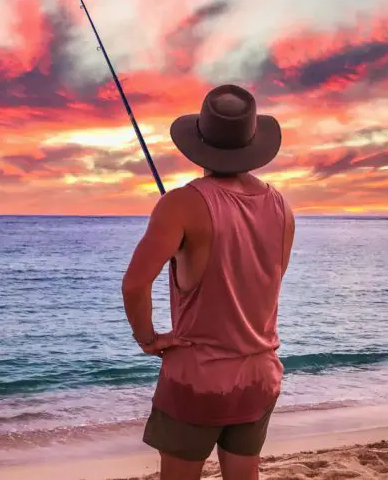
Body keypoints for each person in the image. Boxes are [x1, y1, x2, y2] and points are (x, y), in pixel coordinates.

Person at [121, 84, 295, 480]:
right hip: (260, 374)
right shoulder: (282, 205)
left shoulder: (180, 203)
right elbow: (263, 278)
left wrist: (148, 338)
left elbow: (134, 285)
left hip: (198, 379)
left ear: (199, 141)